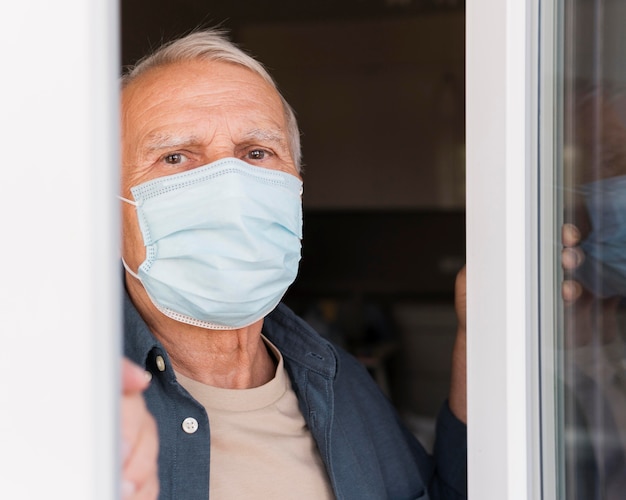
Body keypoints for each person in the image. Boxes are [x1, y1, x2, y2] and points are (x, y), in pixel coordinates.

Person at [119, 28, 467, 499]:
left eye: (257, 153)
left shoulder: (334, 380)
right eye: (175, 156)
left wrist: (482, 339)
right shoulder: (66, 405)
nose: (231, 188)